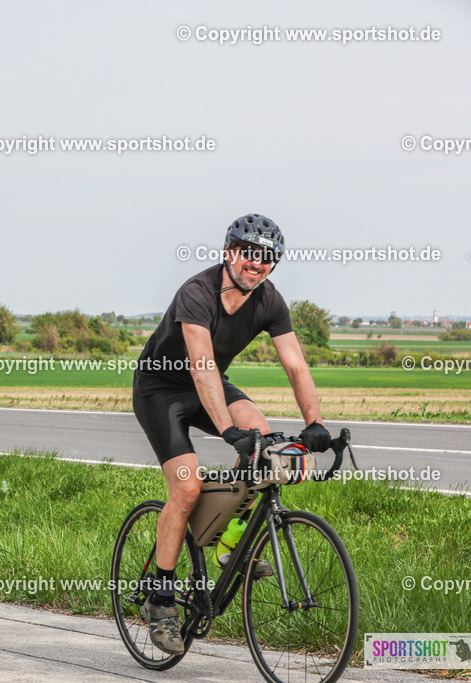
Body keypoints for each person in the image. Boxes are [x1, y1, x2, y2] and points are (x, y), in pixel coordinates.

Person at [132, 214, 333, 655]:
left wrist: (315, 423)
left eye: (267, 259)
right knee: (186, 488)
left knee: (260, 436)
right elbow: (201, 365)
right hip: (162, 388)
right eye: (249, 253)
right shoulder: (197, 293)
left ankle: (229, 542)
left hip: (208, 386)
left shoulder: (269, 301)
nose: (256, 264)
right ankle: (161, 599)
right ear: (229, 253)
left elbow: (296, 365)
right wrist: (225, 429)